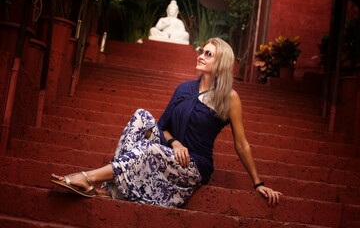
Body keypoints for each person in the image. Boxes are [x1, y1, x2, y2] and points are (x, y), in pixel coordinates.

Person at [51, 37, 282, 207]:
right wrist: (176, 144)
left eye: (209, 54)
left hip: (194, 164)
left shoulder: (229, 98)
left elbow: (241, 144)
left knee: (150, 148)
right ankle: (111, 189)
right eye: (201, 51)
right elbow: (162, 128)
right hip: (171, 151)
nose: (200, 55)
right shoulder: (184, 89)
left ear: (222, 62)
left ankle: (88, 178)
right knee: (141, 115)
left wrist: (258, 183)